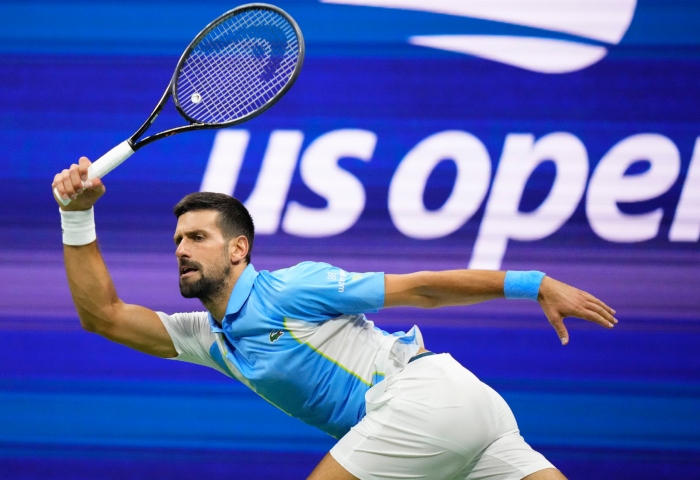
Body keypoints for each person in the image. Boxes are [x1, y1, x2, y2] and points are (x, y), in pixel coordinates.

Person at [53, 157, 617, 480]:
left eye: (197, 237)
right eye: (177, 240)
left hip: (421, 398)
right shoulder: (208, 338)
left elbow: (420, 291)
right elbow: (103, 315)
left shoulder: (294, 287)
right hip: (464, 416)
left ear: (238, 250)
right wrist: (76, 217)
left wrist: (533, 283)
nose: (181, 248)